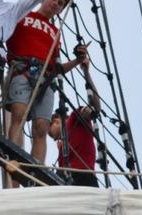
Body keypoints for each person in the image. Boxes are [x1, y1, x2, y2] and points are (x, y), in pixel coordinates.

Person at [5, 0, 86, 164]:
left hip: (46, 78)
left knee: (41, 127)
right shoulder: (23, 16)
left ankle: (37, 172)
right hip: (23, 69)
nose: (56, 4)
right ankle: (14, 164)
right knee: (18, 114)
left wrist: (77, 61)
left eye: (60, 4)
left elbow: (58, 69)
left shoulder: (56, 33)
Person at [49, 45, 101, 187]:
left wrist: (86, 73)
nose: (54, 139)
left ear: (56, 121)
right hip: (68, 179)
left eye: (51, 134)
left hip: (82, 177)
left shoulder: (74, 118)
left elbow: (95, 108)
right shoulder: (63, 146)